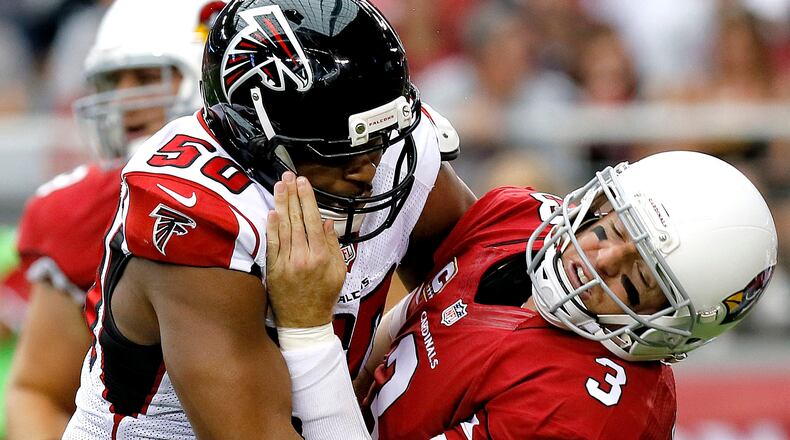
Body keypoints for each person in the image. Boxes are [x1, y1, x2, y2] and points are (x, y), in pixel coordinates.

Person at [63, 0, 474, 438]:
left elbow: (484, 270)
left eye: (377, 141)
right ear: (255, 138)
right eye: (337, 151)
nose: (369, 170)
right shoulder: (200, 217)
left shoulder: (389, 148)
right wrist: (310, 332)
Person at [360, 151, 777, 439]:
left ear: (671, 326)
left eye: (638, 282)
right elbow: (404, 324)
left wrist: (311, 341)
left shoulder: (587, 413)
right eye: (612, 229)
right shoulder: (521, 217)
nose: (603, 261)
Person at [4, 0, 217, 438]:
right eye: (110, 81)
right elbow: (40, 393)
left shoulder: (285, 192)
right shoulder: (83, 209)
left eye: (144, 78)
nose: (123, 99)